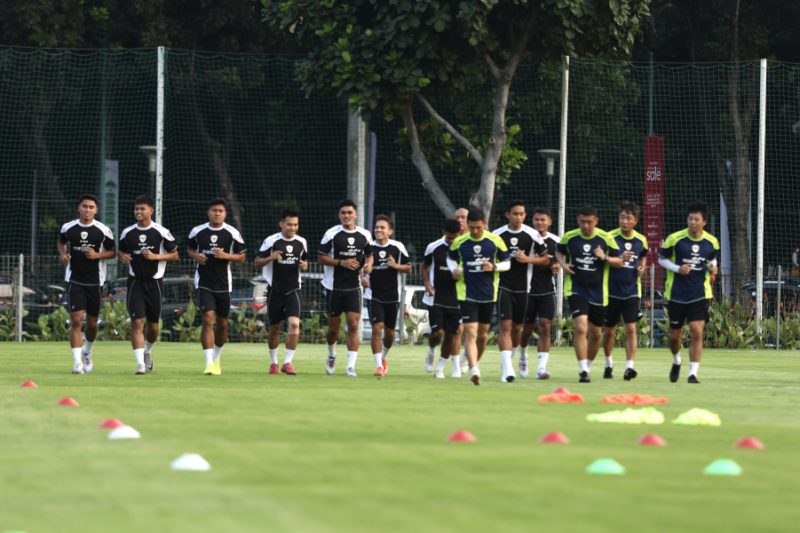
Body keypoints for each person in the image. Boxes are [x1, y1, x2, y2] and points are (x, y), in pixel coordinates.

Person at [556, 205, 629, 383]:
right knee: (581, 327)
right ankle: (582, 370)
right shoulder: (570, 237)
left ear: (596, 221)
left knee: (596, 334)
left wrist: (604, 257)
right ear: (578, 221)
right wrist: (564, 266)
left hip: (599, 293)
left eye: (589, 222)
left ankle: (587, 366)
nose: (586, 225)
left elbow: (619, 262)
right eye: (582, 221)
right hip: (576, 289)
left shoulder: (606, 238)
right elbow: (558, 251)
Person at [448, 207, 511, 385]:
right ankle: (475, 370)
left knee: (483, 336)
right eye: (472, 227)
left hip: (488, 295)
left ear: (484, 224)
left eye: (479, 227)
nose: (475, 231)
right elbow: (450, 258)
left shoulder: (495, 241)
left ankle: (471, 362)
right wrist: (455, 269)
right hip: (466, 294)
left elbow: (508, 263)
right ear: (468, 225)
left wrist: (494, 267)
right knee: (471, 333)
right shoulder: (460, 242)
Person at [658, 201, 719, 384]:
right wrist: (677, 268)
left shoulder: (711, 241)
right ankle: (677, 360)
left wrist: (713, 268)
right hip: (676, 294)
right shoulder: (675, 239)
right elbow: (661, 259)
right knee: (674, 336)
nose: (692, 222)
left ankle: (693, 373)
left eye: (696, 219)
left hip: (700, 294)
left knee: (696, 331)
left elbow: (711, 260)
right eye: (690, 219)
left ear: (704, 222)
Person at [117, 195, 179, 375]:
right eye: (136, 209)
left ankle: (148, 352)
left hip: (155, 284)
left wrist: (156, 257)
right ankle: (140, 365)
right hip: (135, 282)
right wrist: (122, 257)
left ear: (151, 211)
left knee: (153, 327)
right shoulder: (127, 232)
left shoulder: (160, 231)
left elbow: (175, 255)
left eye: (142, 209)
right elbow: (121, 250)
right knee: (137, 323)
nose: (138, 212)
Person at [57, 194, 116, 374]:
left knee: (91, 323)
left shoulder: (103, 230)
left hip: (95, 282)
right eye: (84, 206)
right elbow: (61, 242)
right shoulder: (68, 227)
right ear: (79, 208)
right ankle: (77, 363)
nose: (87, 210)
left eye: (91, 207)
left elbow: (113, 252)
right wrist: (63, 254)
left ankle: (87, 351)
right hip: (74, 279)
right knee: (76, 320)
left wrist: (97, 255)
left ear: (96, 210)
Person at [187, 198, 246, 375]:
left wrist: (226, 255)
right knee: (207, 319)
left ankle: (217, 358)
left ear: (225, 213)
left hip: (223, 285)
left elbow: (242, 256)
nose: (217, 213)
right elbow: (189, 249)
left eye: (220, 211)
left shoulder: (232, 232)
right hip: (204, 282)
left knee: (222, 325)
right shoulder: (198, 231)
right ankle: (208, 364)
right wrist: (196, 256)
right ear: (208, 212)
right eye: (214, 210)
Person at [493, 201, 548, 383]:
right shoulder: (497, 235)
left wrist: (527, 259)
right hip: (504, 287)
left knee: (517, 328)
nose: (519, 217)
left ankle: (510, 358)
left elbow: (546, 259)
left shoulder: (532, 235)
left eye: (522, 214)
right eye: (515, 213)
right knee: (505, 327)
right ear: (508, 214)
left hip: (525, 289)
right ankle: (507, 369)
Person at [318, 199, 373, 377]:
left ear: (356, 215)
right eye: (343, 213)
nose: (346, 216)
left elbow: (370, 256)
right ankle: (332, 354)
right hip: (334, 287)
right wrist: (341, 262)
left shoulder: (364, 235)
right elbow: (321, 258)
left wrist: (366, 270)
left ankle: (350, 366)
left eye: (350, 213)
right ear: (339, 215)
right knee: (334, 328)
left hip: (354, 288)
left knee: (354, 323)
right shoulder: (331, 234)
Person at [255, 209, 309, 375]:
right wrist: (271, 257)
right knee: (275, 328)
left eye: (295, 225)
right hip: (275, 291)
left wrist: (304, 265)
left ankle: (288, 362)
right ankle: (273, 362)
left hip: (293, 290)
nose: (292, 228)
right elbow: (257, 262)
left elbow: (304, 261)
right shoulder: (271, 241)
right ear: (281, 224)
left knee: (294, 324)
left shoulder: (302, 242)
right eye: (289, 224)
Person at [601, 202, 649, 381]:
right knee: (610, 330)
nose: (625, 220)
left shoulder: (641, 240)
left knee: (631, 328)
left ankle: (629, 367)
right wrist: (618, 259)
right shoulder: (609, 237)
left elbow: (643, 256)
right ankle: (608, 363)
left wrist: (641, 268)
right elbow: (602, 259)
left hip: (631, 291)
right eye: (622, 217)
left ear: (635, 221)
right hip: (611, 290)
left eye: (629, 218)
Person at [361, 215, 411, 377]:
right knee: (377, 328)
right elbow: (360, 269)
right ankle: (378, 366)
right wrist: (362, 279)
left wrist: (395, 265)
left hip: (392, 297)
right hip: (373, 295)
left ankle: (383, 358)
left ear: (390, 231)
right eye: (376, 227)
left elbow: (409, 268)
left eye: (382, 227)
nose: (378, 230)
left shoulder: (397, 247)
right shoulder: (367, 248)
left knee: (390, 334)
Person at [519, 207, 561, 379]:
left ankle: (541, 369)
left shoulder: (556, 241)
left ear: (550, 222)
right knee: (527, 328)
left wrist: (557, 266)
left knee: (545, 326)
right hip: (527, 290)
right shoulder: (527, 238)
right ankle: (522, 355)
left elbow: (559, 262)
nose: (539, 223)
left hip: (547, 290)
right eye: (536, 219)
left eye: (543, 220)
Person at [422, 219, 464, 378]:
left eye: (455, 237)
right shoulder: (433, 247)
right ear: (444, 232)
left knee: (451, 335)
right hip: (435, 298)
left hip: (457, 299)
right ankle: (431, 350)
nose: (452, 240)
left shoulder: (464, 249)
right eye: (449, 237)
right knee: (437, 332)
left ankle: (440, 367)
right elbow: (424, 266)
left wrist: (460, 275)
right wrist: (426, 283)